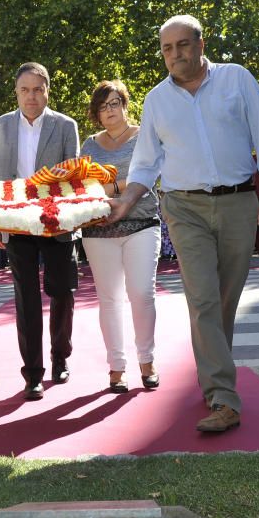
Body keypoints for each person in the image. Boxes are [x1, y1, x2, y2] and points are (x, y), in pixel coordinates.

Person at [107, 15, 259, 434]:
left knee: (225, 298)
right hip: (183, 207)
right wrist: (125, 202)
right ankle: (223, 396)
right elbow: (146, 161)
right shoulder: (156, 100)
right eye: (167, 49)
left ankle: (211, 372)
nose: (175, 55)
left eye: (182, 45)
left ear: (201, 44)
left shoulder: (237, 79)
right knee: (203, 298)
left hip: (239, 201)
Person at [0, 62, 80, 401]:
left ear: (47, 91)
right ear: (16, 91)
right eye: (25, 89)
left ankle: (60, 358)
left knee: (62, 292)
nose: (31, 96)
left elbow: (74, 180)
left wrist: (68, 215)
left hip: (57, 222)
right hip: (17, 224)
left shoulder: (65, 126)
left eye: (38, 89)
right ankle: (33, 375)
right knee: (25, 300)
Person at [80, 80, 161, 393]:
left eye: (114, 103)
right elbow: (84, 185)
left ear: (126, 105)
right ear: (96, 114)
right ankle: (117, 367)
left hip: (141, 223)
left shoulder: (144, 136)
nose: (109, 110)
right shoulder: (89, 145)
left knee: (141, 293)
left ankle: (147, 359)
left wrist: (114, 187)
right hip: (98, 230)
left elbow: (152, 173)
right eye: (102, 106)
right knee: (109, 300)